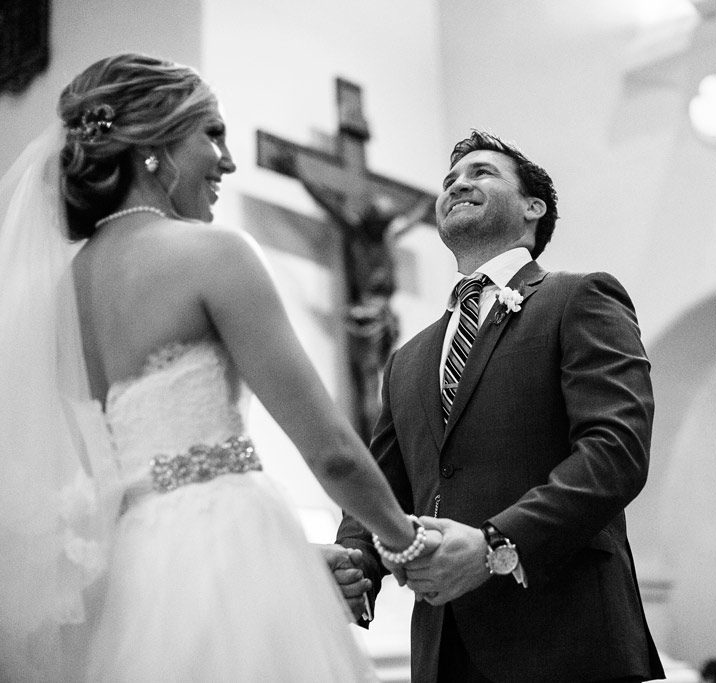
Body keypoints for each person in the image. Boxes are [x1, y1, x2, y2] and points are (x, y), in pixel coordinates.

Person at [0, 53, 437, 681]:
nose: (228, 160)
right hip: (228, 540)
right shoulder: (213, 254)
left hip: (138, 575)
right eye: (213, 133)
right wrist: (406, 541)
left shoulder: (62, 297)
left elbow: (104, 491)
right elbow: (332, 450)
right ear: (155, 146)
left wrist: (287, 558)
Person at [334, 130, 665, 682]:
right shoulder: (408, 359)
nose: (458, 183)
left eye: (481, 173)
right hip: (445, 648)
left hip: (565, 636)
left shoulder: (578, 297)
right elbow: (383, 487)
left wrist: (496, 543)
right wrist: (355, 562)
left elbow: (617, 452)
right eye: (449, 180)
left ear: (534, 208)